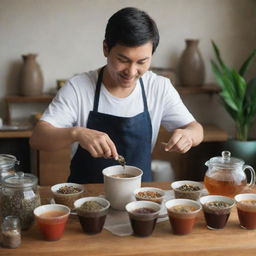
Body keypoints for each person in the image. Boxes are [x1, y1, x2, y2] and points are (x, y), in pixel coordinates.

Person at [30, 7, 204, 183]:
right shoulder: (78, 87)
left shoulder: (159, 87)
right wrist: (77, 133)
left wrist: (188, 136)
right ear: (106, 48)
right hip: (86, 198)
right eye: (123, 60)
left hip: (139, 199)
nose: (131, 71)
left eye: (142, 62)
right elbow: (38, 138)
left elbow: (196, 129)